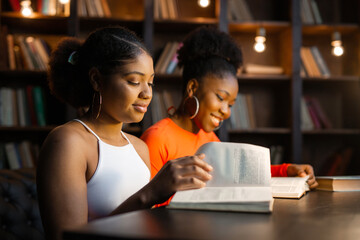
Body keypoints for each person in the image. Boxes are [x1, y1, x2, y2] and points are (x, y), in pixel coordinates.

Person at [36, 26, 214, 240]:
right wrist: (151, 193)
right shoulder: (68, 142)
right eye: (134, 82)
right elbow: (65, 237)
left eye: (150, 82)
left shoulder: (139, 148)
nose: (147, 93)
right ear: (96, 80)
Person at [140, 26, 318, 205]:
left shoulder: (209, 138)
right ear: (192, 88)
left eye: (231, 104)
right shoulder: (157, 139)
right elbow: (147, 206)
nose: (226, 111)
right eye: (220, 97)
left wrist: (287, 170)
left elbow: (243, 175)